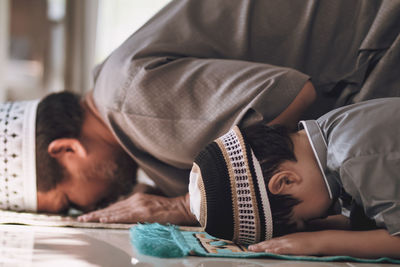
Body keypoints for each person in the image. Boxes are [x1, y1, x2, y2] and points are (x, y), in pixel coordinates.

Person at [1, 0, 399, 225]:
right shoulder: (114, 92)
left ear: (66, 150)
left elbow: (290, 96)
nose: (88, 208)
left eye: (69, 200)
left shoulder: (131, 104)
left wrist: (182, 206)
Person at [188, 97, 400, 258]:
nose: (320, 218)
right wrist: (345, 225)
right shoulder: (331, 131)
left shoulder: (351, 158)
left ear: (286, 181)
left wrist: (320, 242)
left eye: (304, 220)